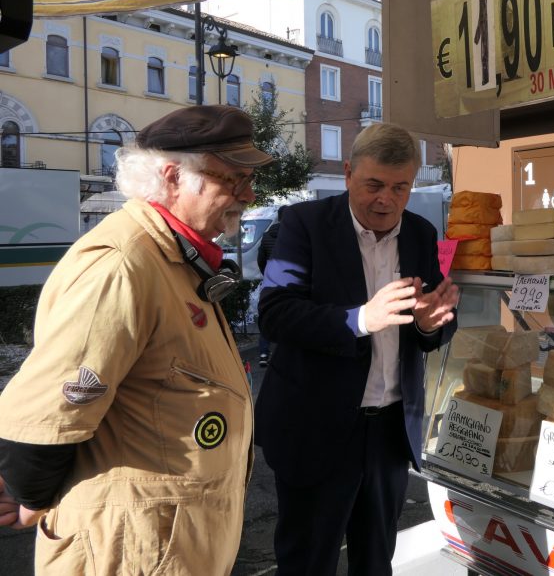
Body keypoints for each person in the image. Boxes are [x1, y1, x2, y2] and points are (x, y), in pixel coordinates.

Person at [0, 105, 271, 574]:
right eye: (234, 178)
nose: (248, 194)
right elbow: (45, 417)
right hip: (131, 549)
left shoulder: (167, 255)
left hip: (161, 539)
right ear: (173, 177)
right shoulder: (123, 264)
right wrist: (32, 496)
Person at [256, 123, 459, 576]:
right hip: (316, 429)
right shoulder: (304, 224)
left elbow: (435, 326)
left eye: (400, 187)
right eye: (373, 185)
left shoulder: (422, 234)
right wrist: (361, 319)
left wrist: (430, 326)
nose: (386, 199)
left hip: (387, 433)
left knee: (375, 562)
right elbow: (275, 314)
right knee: (309, 562)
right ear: (348, 174)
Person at [255, 205, 288, 367]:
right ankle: (286, 355)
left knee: (268, 316)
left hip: (270, 281)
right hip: (289, 282)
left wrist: (266, 273)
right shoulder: (292, 236)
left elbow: (260, 259)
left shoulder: (267, 235)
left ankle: (263, 353)